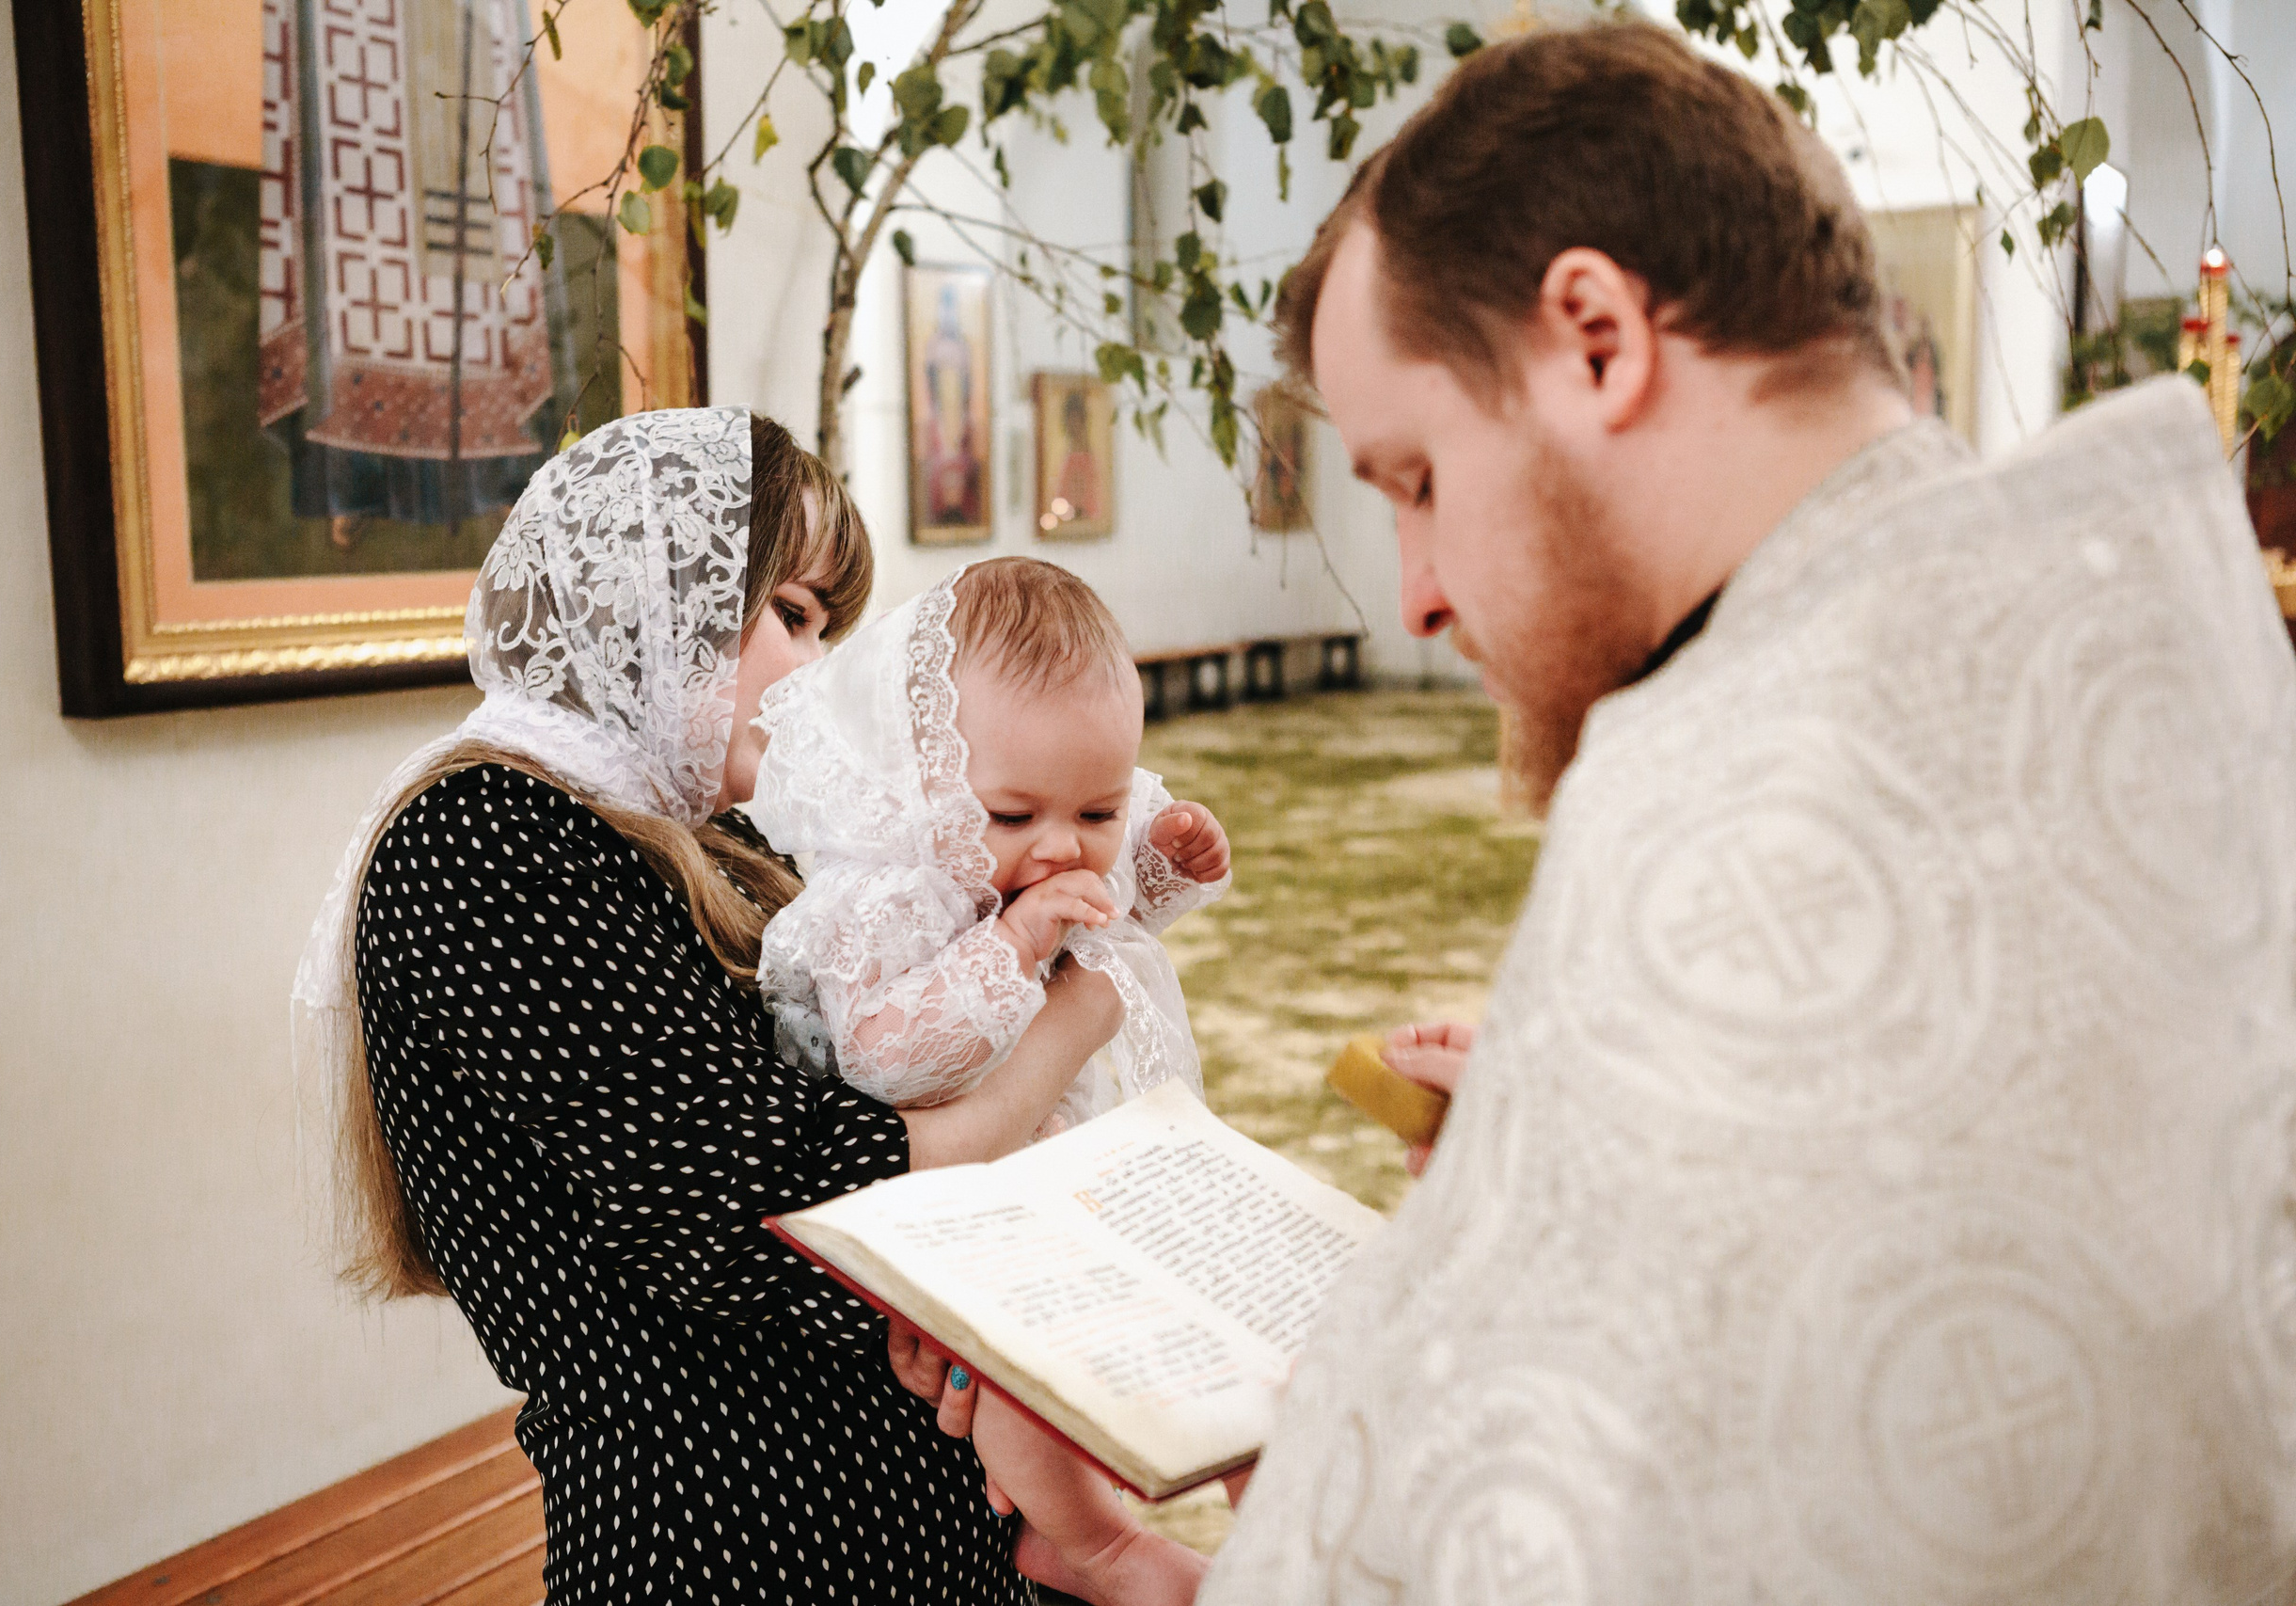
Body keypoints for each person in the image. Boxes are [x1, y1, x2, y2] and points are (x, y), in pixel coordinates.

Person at [959, 21, 2296, 1602]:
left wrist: (1142, 1565)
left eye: (1415, 479)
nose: (1422, 592)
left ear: (1595, 337)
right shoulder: (2140, 668)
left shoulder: (1729, 826)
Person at [292, 408, 1137, 1604]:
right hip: (730, 1538)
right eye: (791, 614)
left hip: (904, 1527)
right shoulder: (482, 836)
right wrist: (1072, 1024)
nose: (818, 666)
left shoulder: (715, 843)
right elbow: (797, 1202)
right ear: (658, 591)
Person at [747, 557, 1230, 1134]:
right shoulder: (890, 896)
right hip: (924, 1177)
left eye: (1100, 812)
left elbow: (1114, 911)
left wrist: (1166, 859)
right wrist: (1014, 944)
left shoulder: (1044, 848)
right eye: (1012, 815)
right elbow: (881, 1060)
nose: (1062, 848)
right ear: (926, 786)